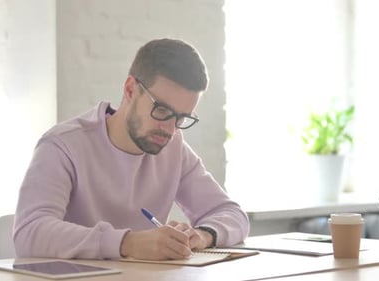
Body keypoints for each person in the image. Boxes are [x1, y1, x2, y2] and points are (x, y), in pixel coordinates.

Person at [13, 38, 250, 261]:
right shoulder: (63, 144)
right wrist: (128, 243)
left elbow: (232, 214)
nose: (169, 129)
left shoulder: (173, 148)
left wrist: (203, 235)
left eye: (181, 117)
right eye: (162, 110)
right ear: (130, 90)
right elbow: (30, 232)